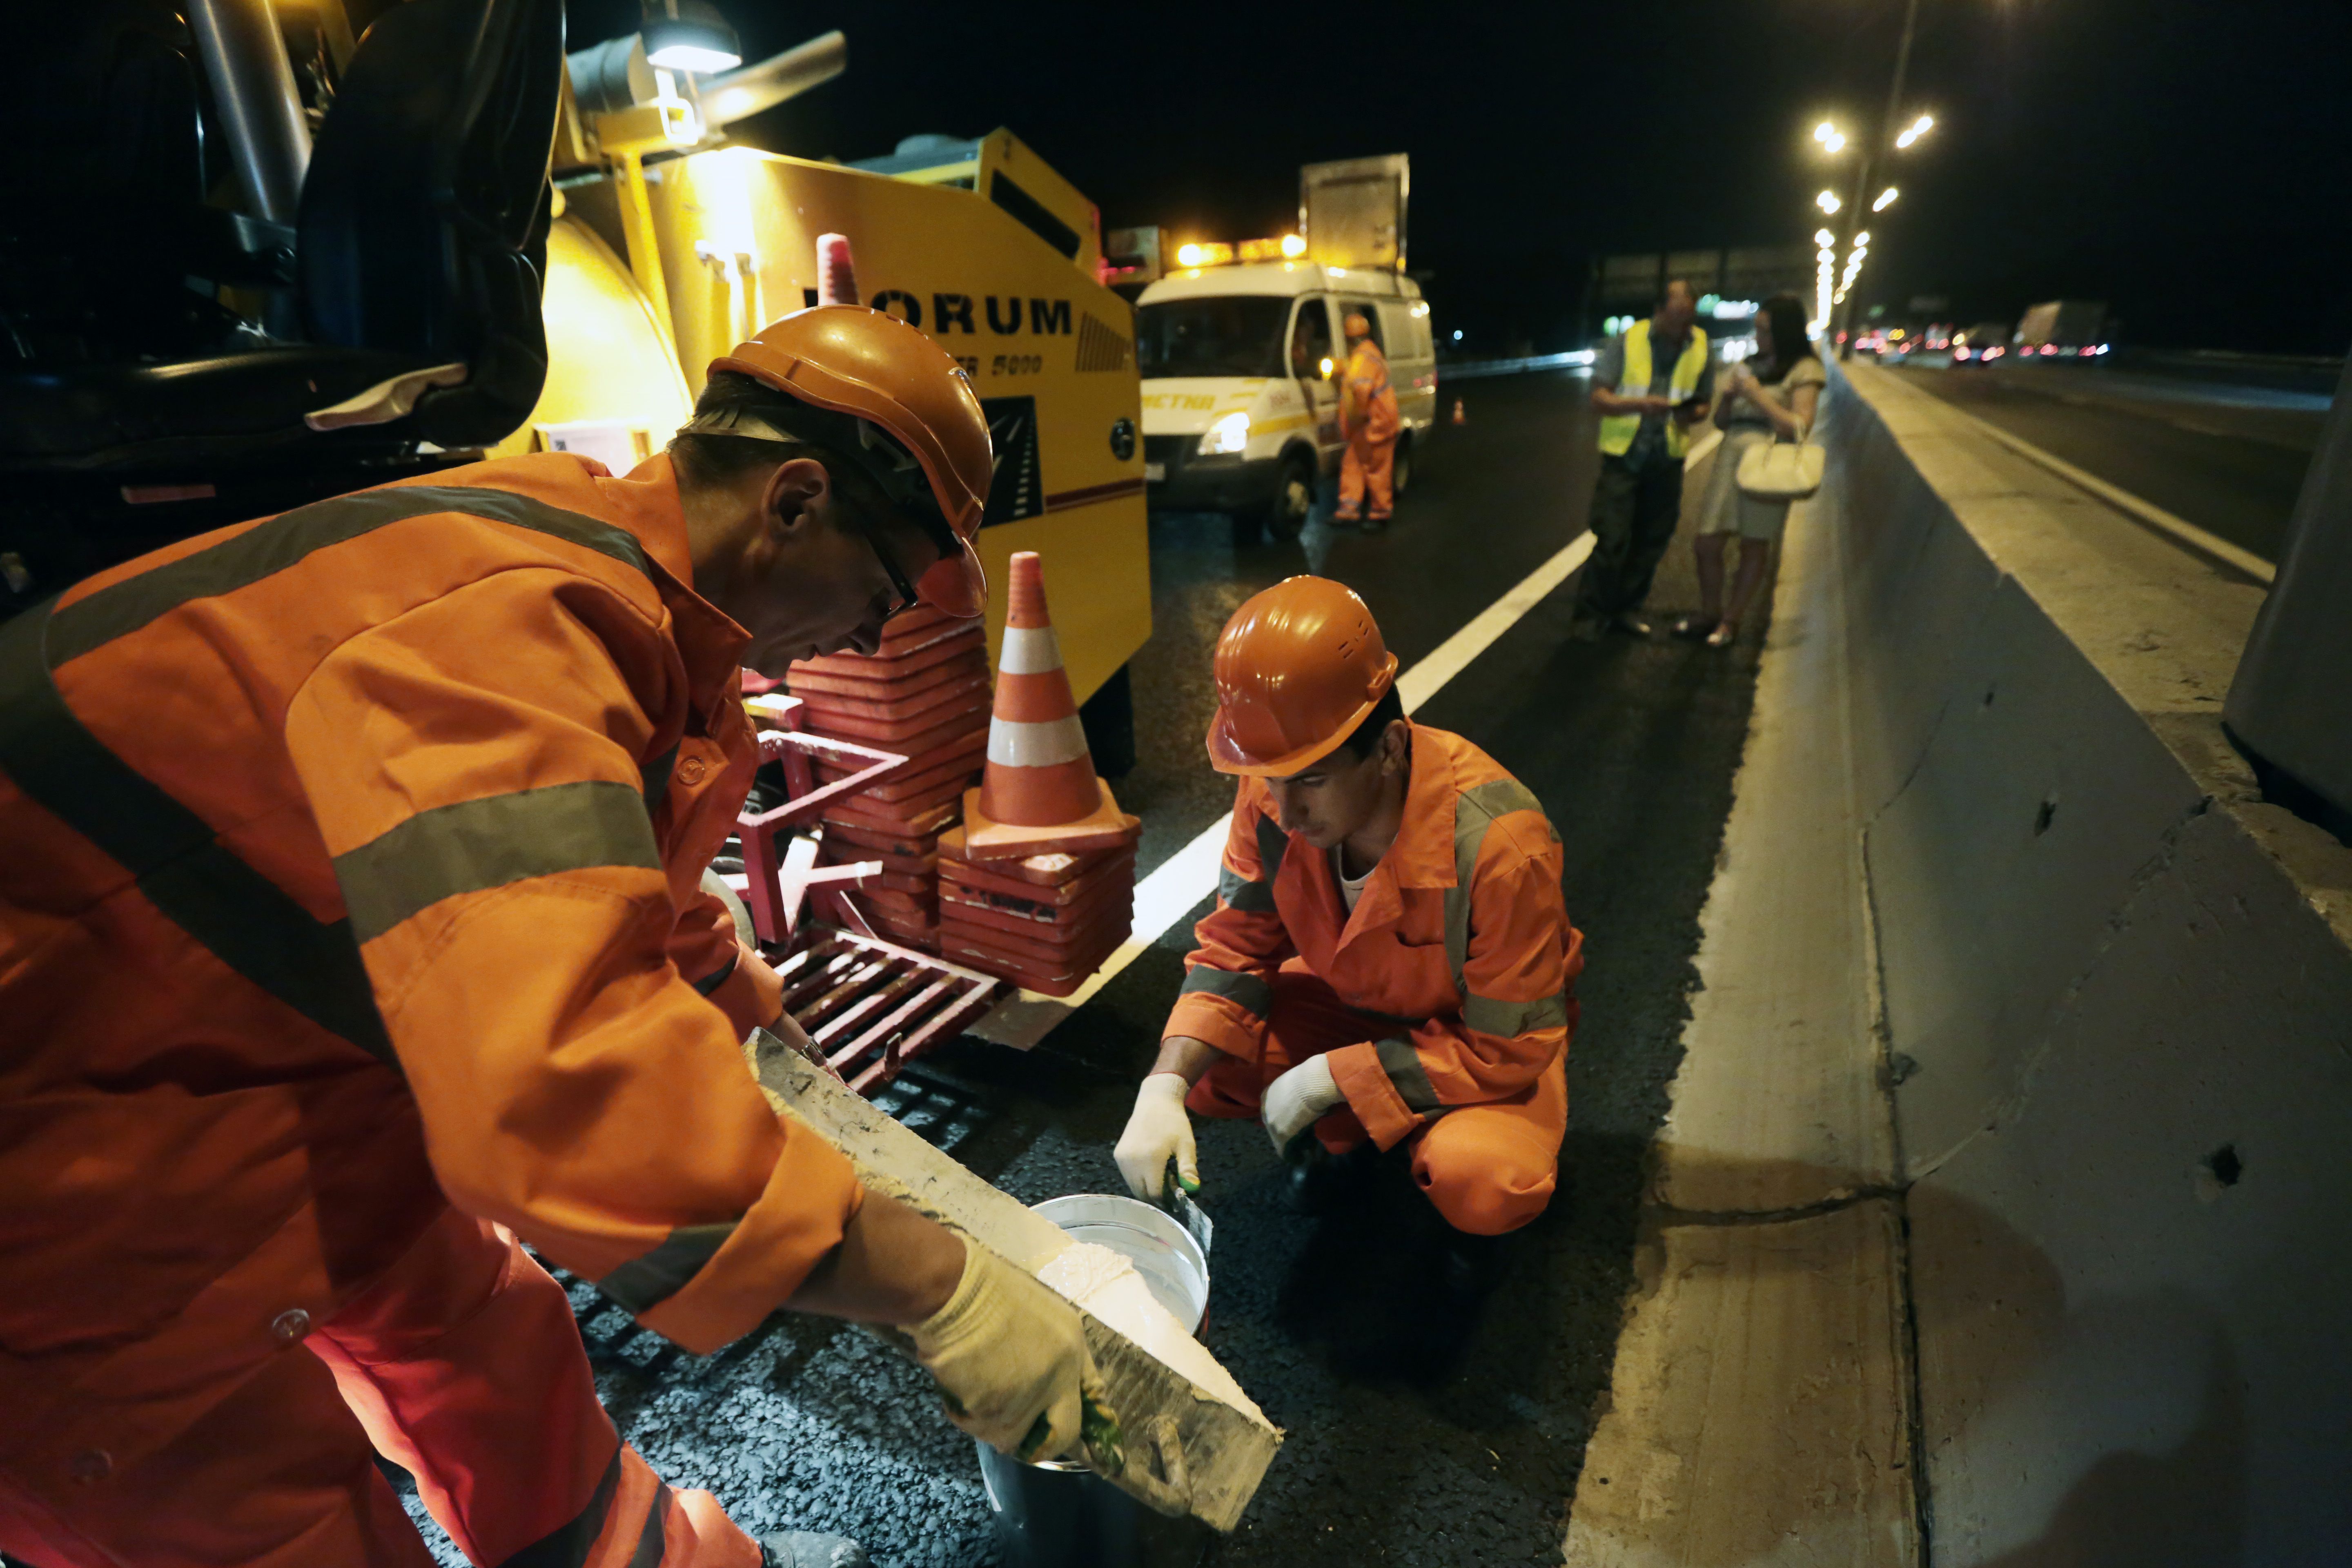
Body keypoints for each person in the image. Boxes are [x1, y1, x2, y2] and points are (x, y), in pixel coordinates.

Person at [0, 306, 1110, 1568]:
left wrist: (765, 1047)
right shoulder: (507, 626)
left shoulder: (599, 567)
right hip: (71, 1223)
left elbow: (594, 888)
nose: (868, 638)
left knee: (497, 1355)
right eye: (879, 595)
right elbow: (556, 1084)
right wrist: (937, 1288)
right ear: (795, 501)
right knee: (280, 1515)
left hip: (272, 1088)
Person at [1112, 577, 1584, 1283]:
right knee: (1211, 1071)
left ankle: (1424, 1177)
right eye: (1269, 779)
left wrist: (1335, 1076)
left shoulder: (1497, 847)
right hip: (1360, 1006)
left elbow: (1509, 1042)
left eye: (1311, 778)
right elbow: (1235, 947)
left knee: (1483, 1179)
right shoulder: (1272, 793)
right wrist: (1163, 1087)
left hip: (1483, 1043)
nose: (1285, 807)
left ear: (1391, 746)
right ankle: (1351, 1138)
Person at [1675, 293, 1826, 648]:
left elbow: (1799, 427)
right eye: (1757, 330)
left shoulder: (1806, 370)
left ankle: (1730, 621)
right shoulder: (1751, 362)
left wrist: (1759, 396)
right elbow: (1722, 423)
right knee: (1706, 543)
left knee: (1753, 546)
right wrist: (1727, 398)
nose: (1759, 337)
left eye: (1766, 331)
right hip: (1731, 458)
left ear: (1785, 332)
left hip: (1769, 462)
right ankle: (1710, 612)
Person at [1571, 280, 1713, 640]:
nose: (1684, 326)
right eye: (1678, 316)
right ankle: (1590, 616)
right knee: (1612, 538)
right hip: (1625, 457)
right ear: (1660, 310)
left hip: (1667, 459)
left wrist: (1692, 414)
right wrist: (1641, 404)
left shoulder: (1701, 346)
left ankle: (1627, 610)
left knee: (1653, 539)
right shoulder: (1629, 340)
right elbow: (1599, 397)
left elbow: (1703, 402)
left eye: (1689, 318)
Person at [1333, 312, 1401, 531]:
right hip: (1372, 424)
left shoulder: (1363, 358)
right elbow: (1357, 372)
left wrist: (1357, 417)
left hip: (1374, 424)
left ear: (1349, 338)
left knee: (1377, 470)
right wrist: (1338, 366)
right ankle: (1348, 510)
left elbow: (1361, 389)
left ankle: (1380, 514)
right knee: (1352, 464)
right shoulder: (1368, 354)